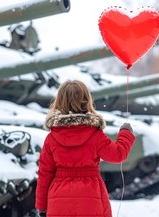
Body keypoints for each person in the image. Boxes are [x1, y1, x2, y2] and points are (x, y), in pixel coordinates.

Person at [35, 80, 135, 217]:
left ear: (59, 102)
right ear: (87, 101)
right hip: (91, 197)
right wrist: (125, 133)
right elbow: (118, 155)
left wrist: (41, 206)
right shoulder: (95, 135)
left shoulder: (51, 139)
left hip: (59, 200)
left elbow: (44, 174)